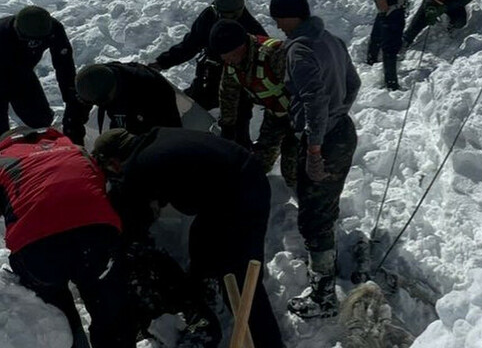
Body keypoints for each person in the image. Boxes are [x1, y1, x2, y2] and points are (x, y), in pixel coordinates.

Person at [91, 127, 284, 348]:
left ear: (115, 161)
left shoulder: (140, 167)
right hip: (236, 182)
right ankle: (202, 293)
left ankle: (268, 343)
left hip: (241, 196)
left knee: (242, 279)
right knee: (200, 239)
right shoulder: (155, 138)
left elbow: (136, 219)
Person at [269, 0, 361, 318]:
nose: (278, 26)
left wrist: (314, 148)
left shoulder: (300, 49)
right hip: (343, 132)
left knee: (313, 217)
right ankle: (328, 260)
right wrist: (341, 112)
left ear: (291, 15)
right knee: (324, 205)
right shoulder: (332, 40)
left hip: (323, 142)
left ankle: (323, 296)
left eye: (279, 19)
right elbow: (354, 83)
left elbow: (314, 100)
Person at [0, 127, 134, 348]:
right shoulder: (75, 150)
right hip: (96, 234)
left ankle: (71, 338)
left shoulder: (3, 160)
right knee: (108, 307)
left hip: (37, 248)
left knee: (55, 314)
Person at [148, 0, 267, 145]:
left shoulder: (252, 29)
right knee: (181, 113)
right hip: (208, 80)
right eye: (224, 14)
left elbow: (264, 63)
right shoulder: (209, 17)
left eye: (234, 14)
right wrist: (162, 62)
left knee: (238, 134)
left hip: (238, 88)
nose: (229, 18)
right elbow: (190, 45)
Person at [208, 19, 298, 186]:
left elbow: (304, 88)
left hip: (298, 117)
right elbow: (228, 93)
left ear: (242, 45)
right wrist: (228, 127)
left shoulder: (275, 55)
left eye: (232, 54)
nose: (229, 60)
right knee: (259, 162)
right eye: (225, 57)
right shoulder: (231, 64)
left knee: (292, 170)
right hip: (276, 114)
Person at [0, 6, 89, 144]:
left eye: (37, 42)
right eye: (29, 41)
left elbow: (64, 64)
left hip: (23, 73)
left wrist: (71, 96)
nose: (33, 45)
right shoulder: (2, 33)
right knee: (2, 135)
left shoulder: (52, 29)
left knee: (41, 122)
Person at [76, 62, 182, 134]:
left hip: (155, 127)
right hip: (125, 119)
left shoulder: (150, 90)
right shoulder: (101, 75)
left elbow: (168, 132)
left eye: (101, 102)